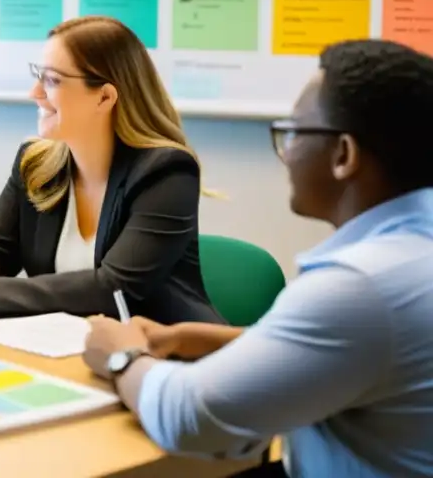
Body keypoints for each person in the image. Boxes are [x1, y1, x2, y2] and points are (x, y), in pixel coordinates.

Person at [83, 39, 433, 478]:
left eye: (294, 133)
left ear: (343, 155)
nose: (285, 156)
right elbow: (353, 350)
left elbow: (188, 418)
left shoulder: (361, 286)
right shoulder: (409, 254)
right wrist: (204, 338)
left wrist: (122, 357)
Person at [0, 16, 223, 323]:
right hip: (68, 345)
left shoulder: (166, 173)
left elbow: (115, 288)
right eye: (38, 76)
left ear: (105, 97)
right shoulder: (35, 162)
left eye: (52, 80)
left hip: (167, 358)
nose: (35, 93)